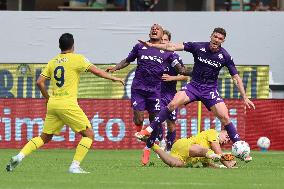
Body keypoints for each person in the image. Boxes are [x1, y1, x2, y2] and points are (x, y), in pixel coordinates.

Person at [6, 33, 125, 174]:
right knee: (89, 135)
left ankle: (19, 156)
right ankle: (75, 166)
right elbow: (97, 71)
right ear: (73, 45)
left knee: (44, 137)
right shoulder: (78, 59)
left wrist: (48, 98)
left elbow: (39, 82)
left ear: (59, 46)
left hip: (53, 104)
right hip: (68, 104)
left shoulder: (53, 61)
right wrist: (113, 78)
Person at [136, 27, 255, 161]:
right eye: (215, 37)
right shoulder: (198, 47)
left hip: (210, 90)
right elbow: (173, 46)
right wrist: (152, 45)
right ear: (211, 36)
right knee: (172, 104)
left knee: (225, 117)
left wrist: (244, 96)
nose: (217, 40)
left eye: (220, 38)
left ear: (223, 41)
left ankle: (240, 149)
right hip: (194, 86)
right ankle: (148, 130)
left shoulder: (225, 56)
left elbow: (236, 77)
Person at [106, 24, 189, 166]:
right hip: (138, 89)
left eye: (158, 29)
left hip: (155, 92)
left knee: (155, 123)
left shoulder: (168, 53)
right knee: (138, 119)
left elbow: (181, 69)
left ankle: (147, 149)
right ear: (150, 33)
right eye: (153, 28)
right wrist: (115, 67)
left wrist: (198, 71)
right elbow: (127, 60)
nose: (154, 30)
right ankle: (142, 134)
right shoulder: (140, 47)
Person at [150, 129, 237, 168]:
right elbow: (218, 153)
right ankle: (211, 155)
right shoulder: (213, 133)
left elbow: (208, 165)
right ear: (221, 132)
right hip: (185, 145)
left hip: (183, 155)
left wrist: (222, 167)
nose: (226, 140)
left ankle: (152, 144)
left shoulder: (211, 151)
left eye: (228, 141)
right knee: (204, 151)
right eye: (226, 136)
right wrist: (228, 163)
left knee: (175, 164)